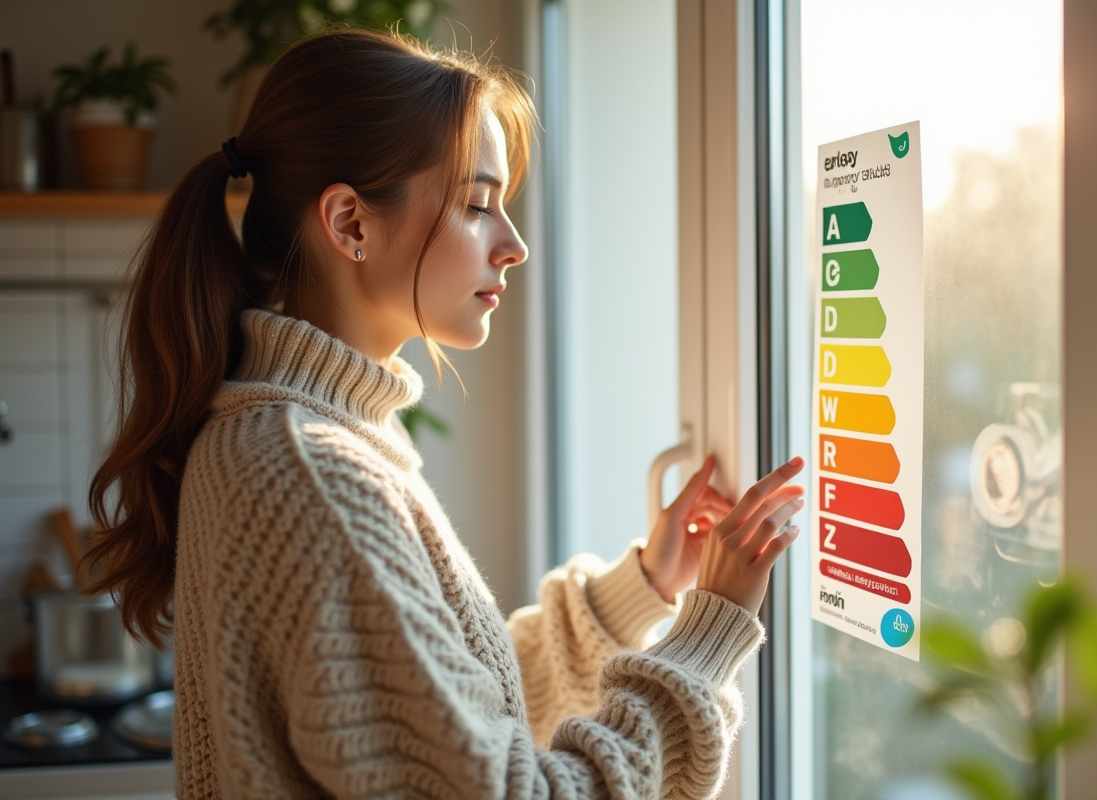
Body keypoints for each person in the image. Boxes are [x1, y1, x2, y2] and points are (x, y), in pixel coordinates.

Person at [85, 29, 805, 800]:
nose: (515, 246)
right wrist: (709, 633)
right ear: (350, 224)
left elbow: (438, 714)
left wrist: (643, 587)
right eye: (476, 205)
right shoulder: (313, 475)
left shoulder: (301, 438)